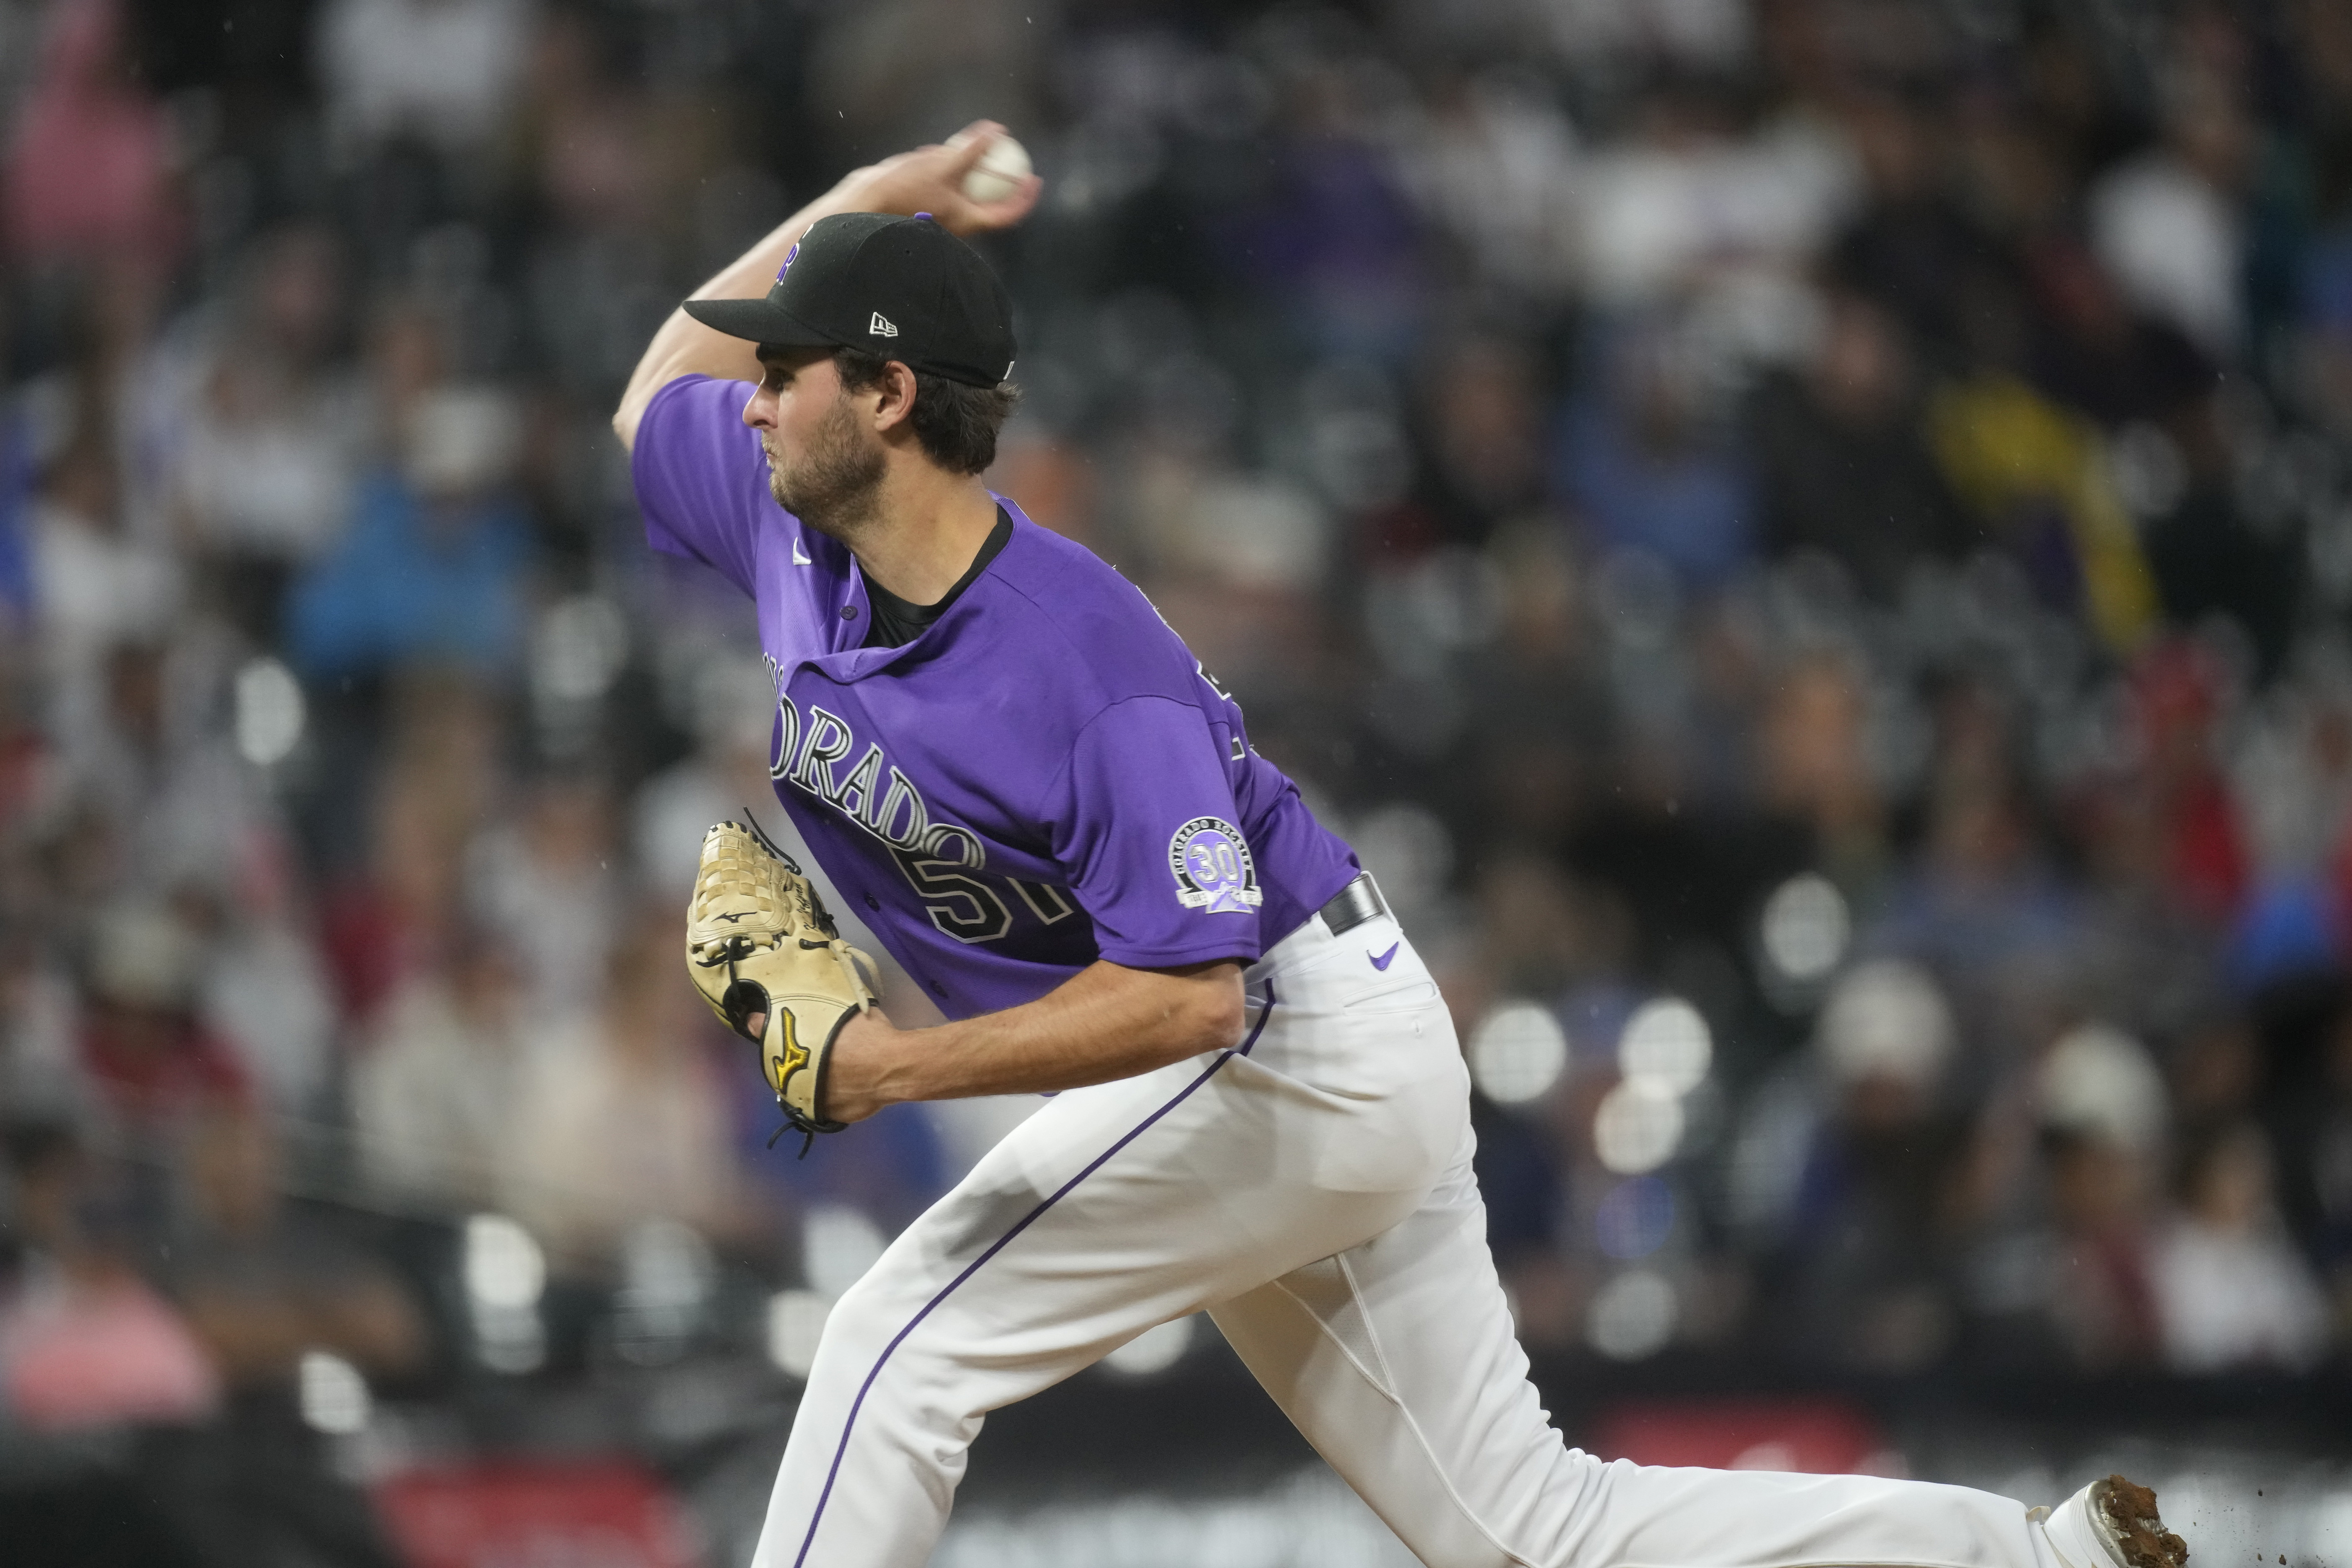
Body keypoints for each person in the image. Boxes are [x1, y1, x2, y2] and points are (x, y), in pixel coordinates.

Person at [612, 122, 2187, 1568]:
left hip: (1288, 1048)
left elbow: (1194, 1003)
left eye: (795, 368)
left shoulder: (1089, 665)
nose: (751, 396)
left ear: (889, 400)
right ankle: (2039, 1559)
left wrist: (882, 1068)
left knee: (897, 1344)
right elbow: (651, 386)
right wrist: (881, 199)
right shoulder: (784, 526)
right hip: (1288, 1052)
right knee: (1531, 1533)